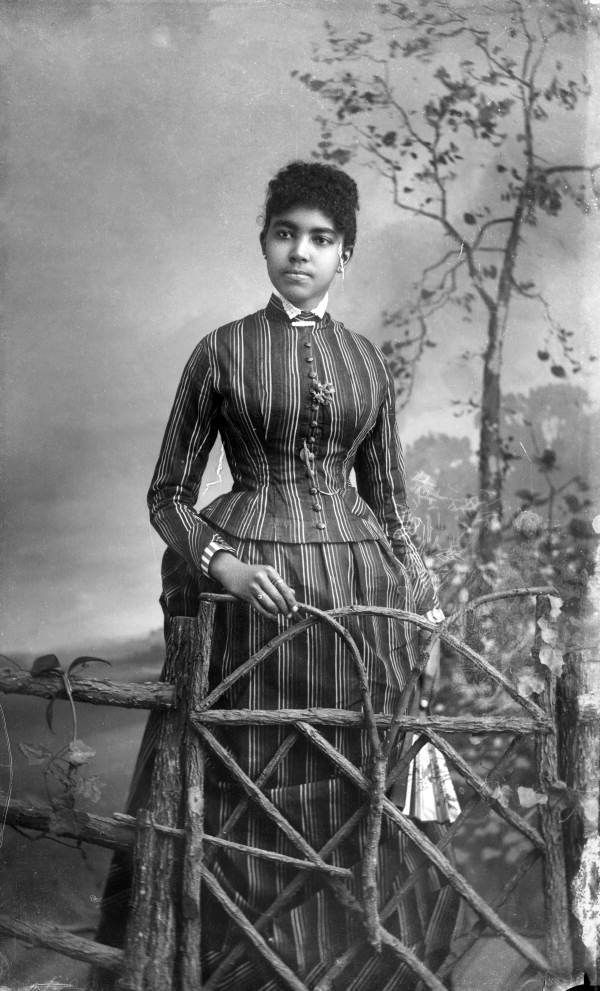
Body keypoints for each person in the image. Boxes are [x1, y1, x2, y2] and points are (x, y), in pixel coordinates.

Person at [90, 161, 458, 990]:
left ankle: (350, 955)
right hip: (252, 605)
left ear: (345, 256)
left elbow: (391, 503)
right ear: (264, 242)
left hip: (362, 606)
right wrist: (223, 563)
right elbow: (168, 495)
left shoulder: (367, 362)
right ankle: (234, 958)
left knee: (354, 766)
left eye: (321, 240)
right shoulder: (220, 351)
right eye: (286, 234)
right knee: (247, 759)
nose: (301, 253)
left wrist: (422, 598)